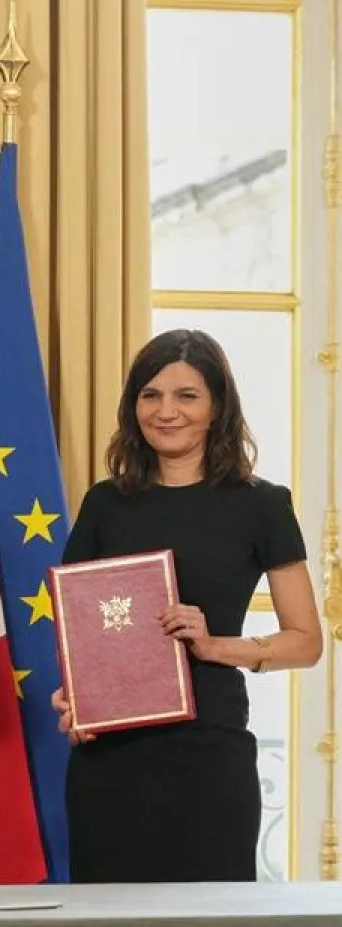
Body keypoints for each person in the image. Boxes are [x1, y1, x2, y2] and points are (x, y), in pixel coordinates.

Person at [51, 328, 322, 883]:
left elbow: (306, 642)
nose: (165, 411)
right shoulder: (104, 503)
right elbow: (80, 626)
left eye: (187, 396)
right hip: (109, 760)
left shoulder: (263, 506)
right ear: (133, 406)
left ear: (218, 406)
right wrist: (75, 696)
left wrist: (214, 645)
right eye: (150, 395)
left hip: (210, 754)